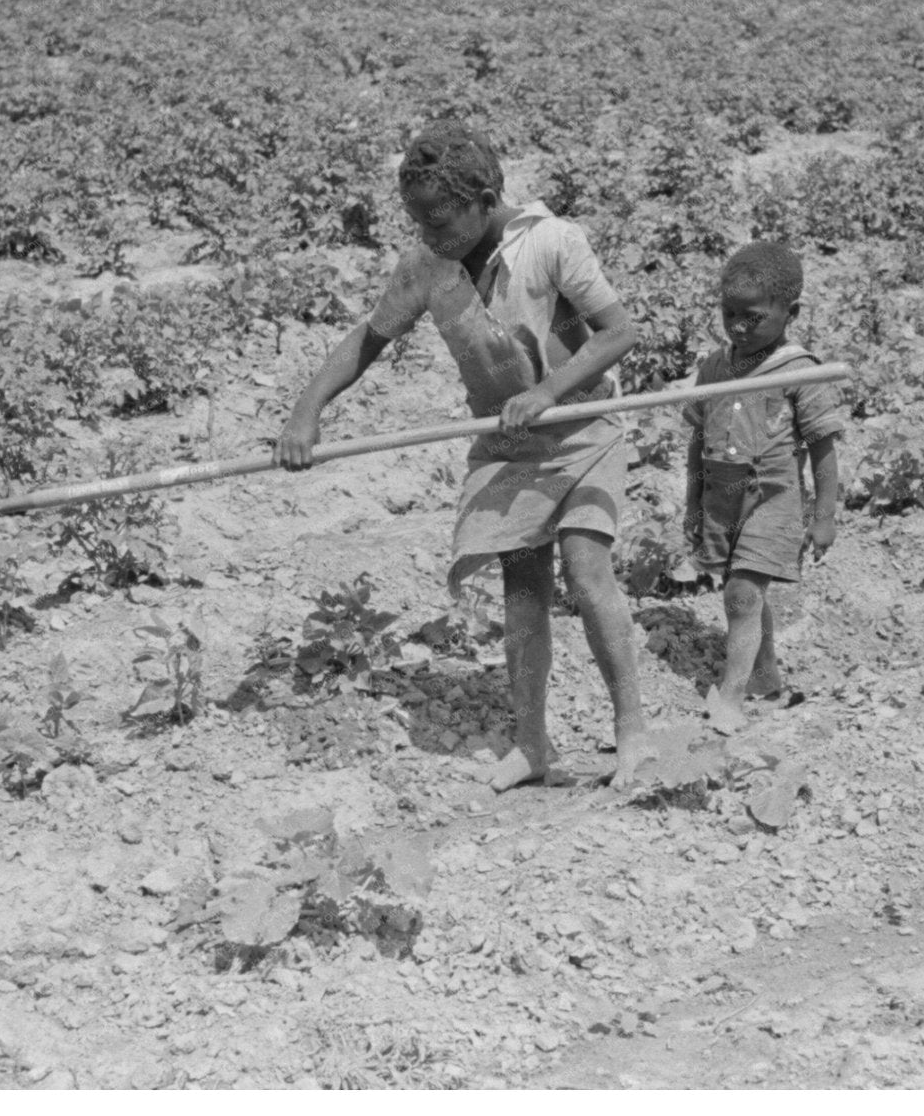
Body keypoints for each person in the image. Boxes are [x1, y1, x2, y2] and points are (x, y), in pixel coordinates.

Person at [275, 119, 653, 790]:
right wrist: (308, 408)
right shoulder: (427, 267)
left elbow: (619, 331)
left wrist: (546, 391)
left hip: (583, 430)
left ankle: (633, 732)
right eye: (416, 219)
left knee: (586, 570)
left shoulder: (551, 242)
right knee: (522, 591)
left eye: (439, 220)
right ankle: (531, 743)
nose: (427, 233)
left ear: (484, 200)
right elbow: (369, 340)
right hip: (508, 446)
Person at [682, 242, 847, 732]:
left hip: (772, 500)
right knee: (744, 592)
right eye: (729, 314)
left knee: (741, 591)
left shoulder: (800, 371)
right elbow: (697, 442)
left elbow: (822, 445)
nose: (737, 326)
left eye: (751, 317)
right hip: (721, 500)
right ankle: (765, 677)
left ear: (789, 313)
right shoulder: (713, 369)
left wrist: (824, 516)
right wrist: (692, 506)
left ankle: (731, 698)